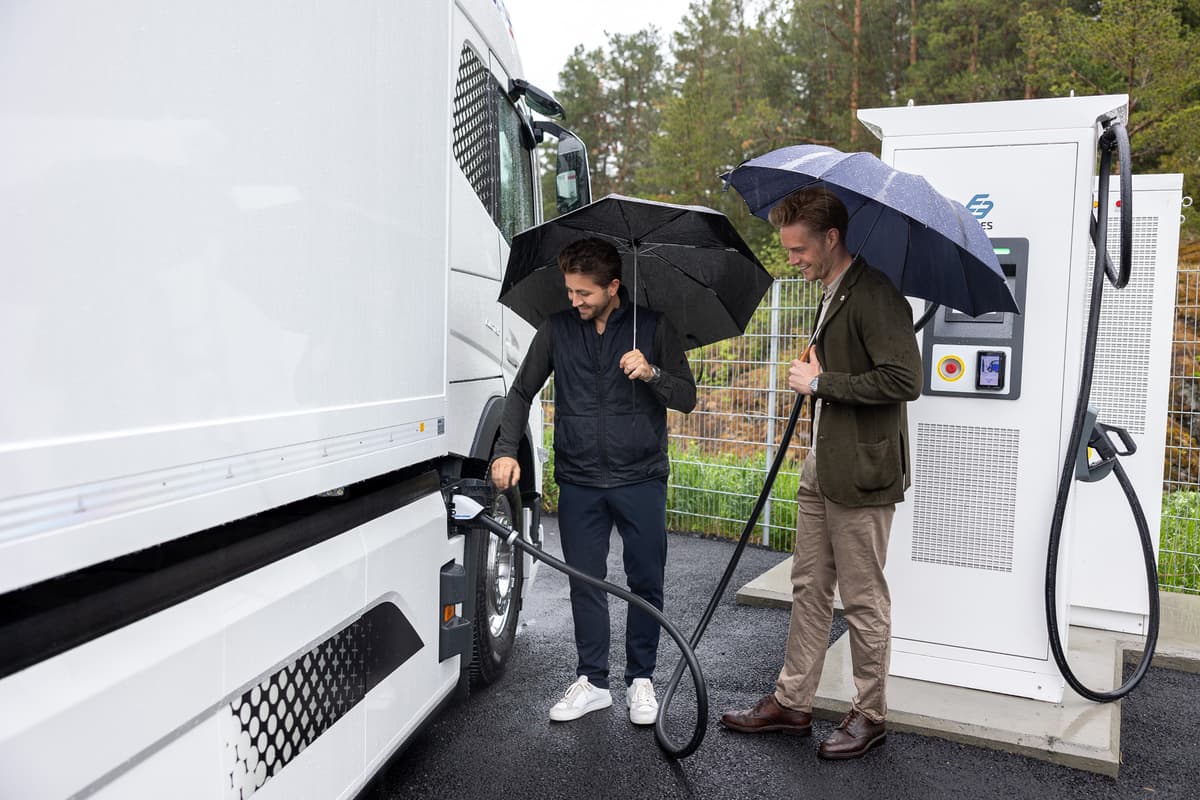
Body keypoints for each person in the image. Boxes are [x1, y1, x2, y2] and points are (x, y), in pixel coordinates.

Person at [719, 187, 921, 759]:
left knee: (862, 598)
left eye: (799, 250)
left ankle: (870, 712)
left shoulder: (876, 294)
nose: (793, 260)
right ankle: (793, 702)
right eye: (787, 251)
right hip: (823, 465)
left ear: (832, 239)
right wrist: (819, 374)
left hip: (863, 472)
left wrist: (820, 384)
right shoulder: (831, 291)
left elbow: (905, 380)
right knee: (808, 587)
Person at [491, 237, 696, 726]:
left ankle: (641, 680)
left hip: (641, 477)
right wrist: (504, 451)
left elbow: (686, 396)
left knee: (646, 581)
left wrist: (651, 373)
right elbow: (521, 392)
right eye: (570, 291)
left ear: (613, 287)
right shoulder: (557, 330)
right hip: (580, 478)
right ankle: (594, 681)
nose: (575, 301)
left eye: (584, 293)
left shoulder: (653, 327)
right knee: (585, 582)